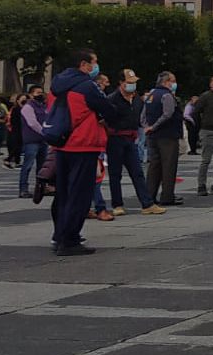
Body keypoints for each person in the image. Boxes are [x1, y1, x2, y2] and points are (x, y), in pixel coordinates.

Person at [48, 50, 117, 256]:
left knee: (63, 193)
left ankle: (59, 235)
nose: (96, 67)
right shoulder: (87, 86)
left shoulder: (56, 84)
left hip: (62, 143)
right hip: (83, 143)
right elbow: (108, 109)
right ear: (84, 64)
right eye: (94, 62)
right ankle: (69, 240)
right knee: (80, 195)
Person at [107, 69, 164, 216]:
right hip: (115, 138)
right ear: (121, 83)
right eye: (129, 82)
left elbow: (141, 116)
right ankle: (117, 205)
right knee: (115, 173)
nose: (132, 85)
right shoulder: (112, 99)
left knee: (137, 172)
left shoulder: (136, 99)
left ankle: (147, 204)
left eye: (134, 82)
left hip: (130, 139)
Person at [142, 72, 184, 207]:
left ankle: (149, 195)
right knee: (169, 166)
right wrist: (154, 126)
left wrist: (147, 127)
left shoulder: (151, 95)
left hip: (152, 136)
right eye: (173, 81)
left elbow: (143, 114)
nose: (174, 84)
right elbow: (168, 114)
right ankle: (167, 196)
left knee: (154, 165)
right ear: (166, 82)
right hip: (167, 135)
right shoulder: (167, 95)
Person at [18, 85, 48, 197]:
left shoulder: (43, 106)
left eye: (42, 92)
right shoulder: (28, 107)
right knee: (27, 165)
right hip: (32, 140)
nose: (40, 94)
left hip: (42, 141)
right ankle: (23, 189)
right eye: (37, 92)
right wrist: (45, 133)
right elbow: (32, 123)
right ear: (30, 95)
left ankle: (41, 188)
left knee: (42, 168)